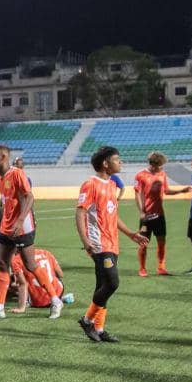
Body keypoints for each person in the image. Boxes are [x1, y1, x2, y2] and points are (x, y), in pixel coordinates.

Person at [0, 144, 64, 320]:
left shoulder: (16, 173)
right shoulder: (0, 180)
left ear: (3, 157)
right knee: (2, 264)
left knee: (30, 265)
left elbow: (29, 197)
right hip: (7, 226)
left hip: (23, 226)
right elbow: (8, 204)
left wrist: (20, 220)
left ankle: (55, 300)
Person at [75, 146, 149, 342]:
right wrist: (86, 240)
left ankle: (99, 330)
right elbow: (80, 212)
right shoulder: (90, 184)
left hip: (112, 243)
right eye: (117, 159)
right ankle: (87, 319)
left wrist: (131, 234)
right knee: (113, 283)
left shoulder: (111, 185)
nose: (120, 162)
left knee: (103, 285)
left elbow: (113, 216)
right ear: (105, 163)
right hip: (99, 244)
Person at [133, 151, 191, 276]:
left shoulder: (162, 174)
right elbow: (137, 194)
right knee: (143, 242)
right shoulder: (141, 175)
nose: (161, 167)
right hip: (146, 216)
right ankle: (142, 268)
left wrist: (181, 190)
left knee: (161, 241)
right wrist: (141, 212)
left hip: (159, 215)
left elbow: (166, 191)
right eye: (160, 165)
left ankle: (161, 267)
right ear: (153, 164)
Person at [9, 249, 74, 313]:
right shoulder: (45, 252)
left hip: (38, 301)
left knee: (14, 285)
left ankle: (26, 302)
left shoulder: (16, 260)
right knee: (53, 277)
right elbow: (60, 274)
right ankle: (59, 298)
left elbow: (22, 284)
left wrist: (21, 307)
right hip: (58, 292)